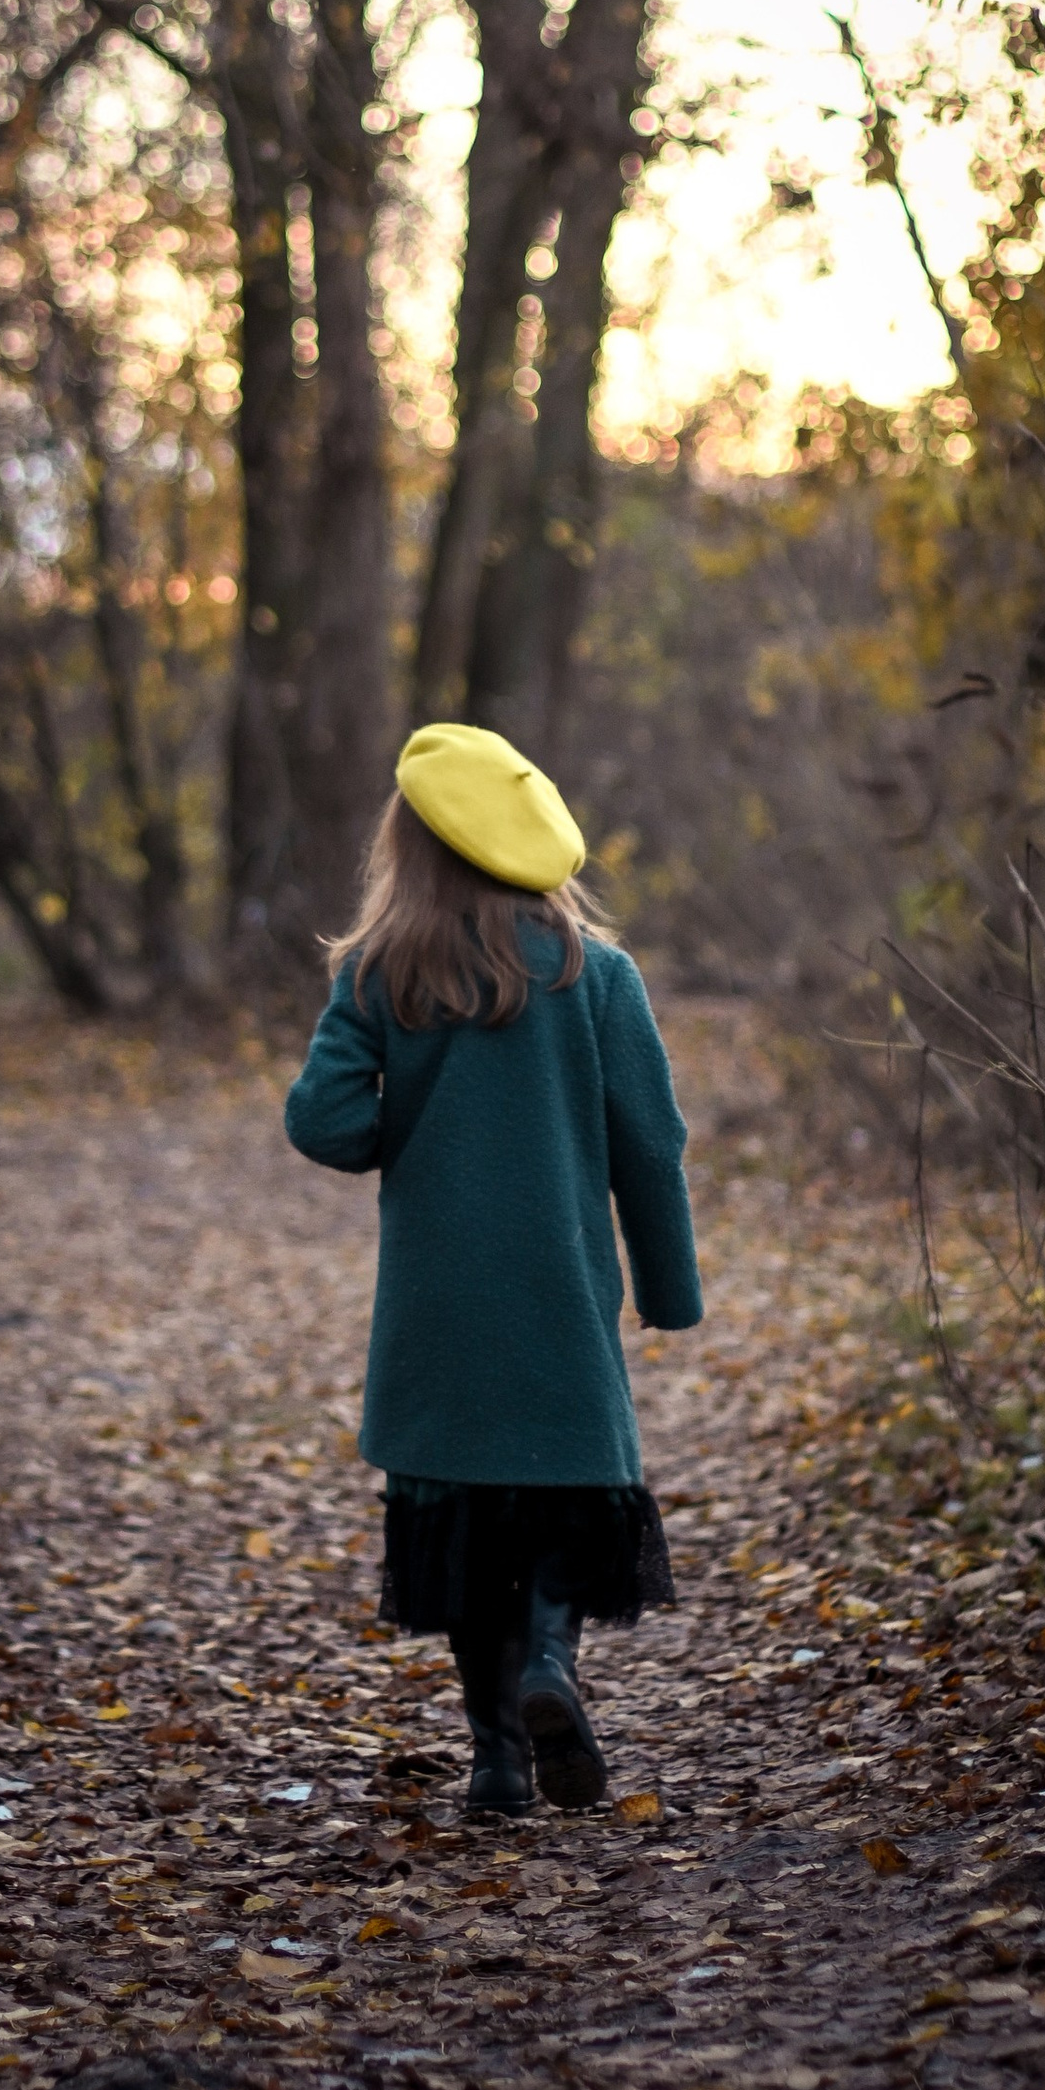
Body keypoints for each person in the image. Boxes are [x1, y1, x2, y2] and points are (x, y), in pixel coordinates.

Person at [283, 723, 701, 1814]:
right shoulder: (597, 978)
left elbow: (323, 1122)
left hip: (438, 1314)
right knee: (568, 1503)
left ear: (412, 854)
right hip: (560, 1302)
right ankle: (550, 1668)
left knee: (465, 1533)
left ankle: (497, 1764)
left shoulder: (383, 977)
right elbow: (650, 1147)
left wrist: (403, 1132)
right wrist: (669, 1290)